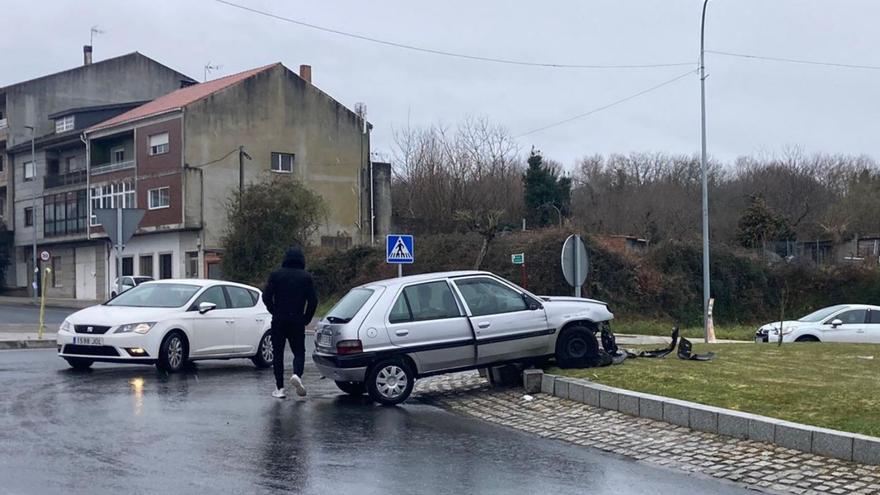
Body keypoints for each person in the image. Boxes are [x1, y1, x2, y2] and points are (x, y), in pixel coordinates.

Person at [262, 247, 317, 399]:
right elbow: (313, 301)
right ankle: (297, 374)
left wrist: (274, 310)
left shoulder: (276, 275)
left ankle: (280, 388)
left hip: (279, 319)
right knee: (299, 351)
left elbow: (266, 296)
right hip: (297, 320)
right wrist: (306, 318)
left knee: (278, 354)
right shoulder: (306, 277)